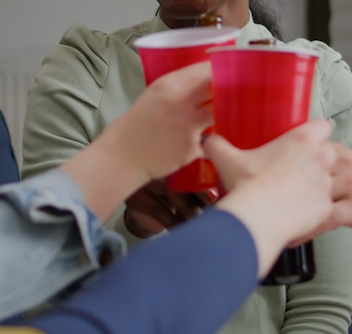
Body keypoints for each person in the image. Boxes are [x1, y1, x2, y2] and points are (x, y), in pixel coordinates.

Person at [22, 0, 352, 333]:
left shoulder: (325, 86)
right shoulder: (81, 71)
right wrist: (133, 224)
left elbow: (323, 311)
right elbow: (44, 287)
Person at [0, 63, 338, 331]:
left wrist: (121, 158)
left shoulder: (325, 77)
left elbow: (324, 308)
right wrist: (259, 215)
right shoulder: (80, 68)